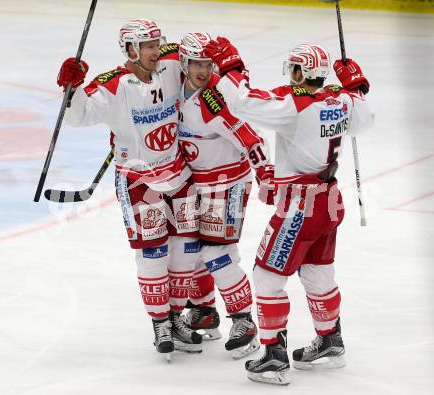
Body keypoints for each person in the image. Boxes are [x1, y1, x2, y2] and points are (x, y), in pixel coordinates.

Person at [205, 38, 373, 383]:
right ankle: (330, 339)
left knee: (267, 277)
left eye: (294, 67)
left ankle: (274, 357)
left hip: (300, 205)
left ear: (301, 70)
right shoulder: (341, 100)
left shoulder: (294, 107)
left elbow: (241, 103)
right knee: (317, 273)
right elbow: (364, 121)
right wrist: (355, 86)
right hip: (328, 200)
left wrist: (230, 67)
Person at [57, 19, 204, 360]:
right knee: (153, 253)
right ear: (131, 49)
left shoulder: (170, 63)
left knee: (186, 247)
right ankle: (159, 324)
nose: (157, 50)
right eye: (149, 45)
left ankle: (175, 315)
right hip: (139, 182)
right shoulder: (112, 84)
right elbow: (78, 117)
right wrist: (73, 88)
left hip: (179, 174)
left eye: (157, 43)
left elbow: (198, 56)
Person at [177, 32, 270, 358]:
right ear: (184, 63)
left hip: (229, 184)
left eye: (209, 63)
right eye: (197, 63)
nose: (204, 70)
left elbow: (251, 139)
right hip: (193, 184)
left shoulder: (213, 100)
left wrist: (265, 175)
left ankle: (245, 322)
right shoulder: (174, 88)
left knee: (218, 253)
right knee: (191, 251)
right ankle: (204, 311)